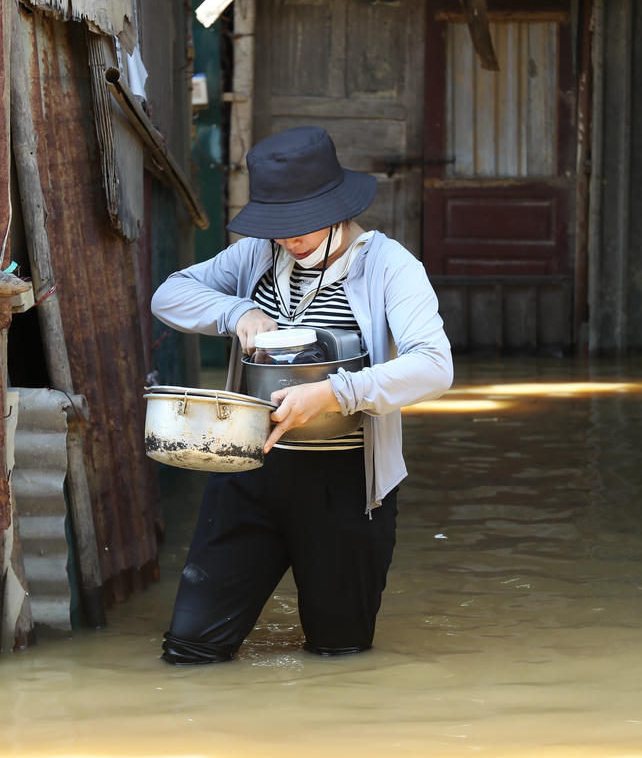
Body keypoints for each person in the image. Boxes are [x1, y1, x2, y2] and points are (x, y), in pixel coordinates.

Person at [150, 125, 452, 664]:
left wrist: (336, 393)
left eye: (302, 225)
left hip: (346, 487)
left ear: (338, 208)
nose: (289, 238)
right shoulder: (254, 256)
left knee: (339, 656)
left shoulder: (390, 267)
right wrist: (236, 311)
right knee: (191, 651)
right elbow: (168, 295)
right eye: (278, 225)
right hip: (246, 472)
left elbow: (433, 366)